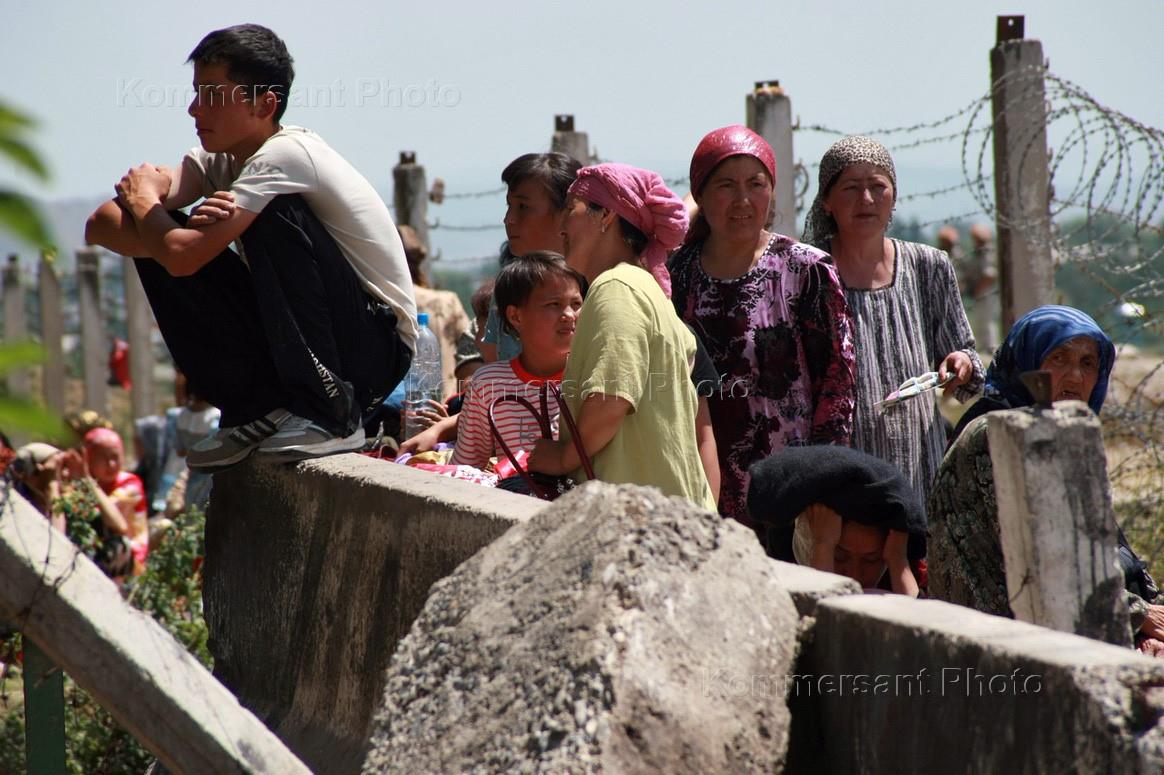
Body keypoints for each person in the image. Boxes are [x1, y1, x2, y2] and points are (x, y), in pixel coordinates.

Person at [84, 24, 415, 470]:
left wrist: (152, 211)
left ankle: (331, 414)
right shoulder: (219, 160)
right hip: (323, 341)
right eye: (197, 92)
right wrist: (159, 224)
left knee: (257, 217)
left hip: (373, 352)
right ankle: (256, 410)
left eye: (214, 96)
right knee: (157, 238)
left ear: (265, 104)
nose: (194, 108)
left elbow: (181, 254)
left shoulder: (287, 155)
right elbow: (102, 223)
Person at [928, 305, 1164, 653]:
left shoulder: (1060, 434)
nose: (1074, 377)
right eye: (1058, 358)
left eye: (1087, 364)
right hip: (1001, 649)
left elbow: (1108, 550)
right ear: (1027, 363)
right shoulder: (998, 434)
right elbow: (1052, 560)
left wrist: (1147, 625)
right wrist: (1137, 617)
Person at [669, 125, 855, 528]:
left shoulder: (806, 270)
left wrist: (825, 479)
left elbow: (837, 386)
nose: (742, 199)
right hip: (701, 484)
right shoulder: (676, 277)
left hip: (792, 490)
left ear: (771, 192)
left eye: (756, 184)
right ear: (699, 194)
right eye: (725, 185)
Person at [803, 135, 983, 525]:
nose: (866, 199)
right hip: (841, 469)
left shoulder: (928, 265)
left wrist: (961, 363)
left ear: (894, 196)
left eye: (877, 186)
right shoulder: (809, 272)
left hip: (919, 462)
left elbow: (963, 353)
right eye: (850, 188)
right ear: (827, 203)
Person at [527, 163, 716, 511]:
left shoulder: (616, 288)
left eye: (571, 209)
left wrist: (562, 457)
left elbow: (612, 398)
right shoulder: (643, 287)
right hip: (670, 519)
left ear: (606, 216)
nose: (561, 224)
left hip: (639, 528)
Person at [450, 252, 584, 470]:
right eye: (554, 304)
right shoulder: (488, 384)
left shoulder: (590, 378)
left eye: (576, 303)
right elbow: (466, 467)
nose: (569, 314)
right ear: (516, 317)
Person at [748, 446, 923, 596]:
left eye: (870, 560)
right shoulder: (774, 584)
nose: (854, 575)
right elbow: (821, 618)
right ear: (807, 541)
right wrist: (823, 546)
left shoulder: (895, 579)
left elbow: (919, 622)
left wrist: (898, 560)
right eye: (839, 556)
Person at [479, 152, 584, 363]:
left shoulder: (596, 284)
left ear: (566, 213)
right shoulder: (511, 285)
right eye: (509, 206)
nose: (508, 219)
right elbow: (493, 355)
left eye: (523, 207)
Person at [400, 224, 472, 399]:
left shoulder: (382, 301)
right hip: (446, 404)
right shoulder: (447, 302)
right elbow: (472, 348)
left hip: (400, 411)